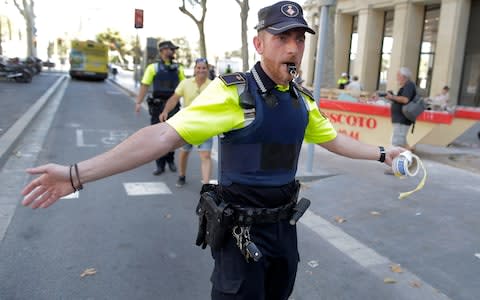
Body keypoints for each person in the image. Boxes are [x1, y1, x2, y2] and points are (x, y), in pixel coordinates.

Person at [21, 1, 406, 299]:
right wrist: (76, 174)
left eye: (299, 39)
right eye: (282, 37)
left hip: (284, 231)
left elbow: (332, 139)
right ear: (259, 43)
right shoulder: (232, 93)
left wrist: (382, 153)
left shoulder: (301, 100)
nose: (293, 48)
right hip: (241, 234)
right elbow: (161, 137)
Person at [159, 58, 213, 187]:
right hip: (187, 125)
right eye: (198, 68)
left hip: (205, 126)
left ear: (207, 69)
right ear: (194, 69)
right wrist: (165, 111)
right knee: (184, 152)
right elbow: (174, 98)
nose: (201, 70)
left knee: (205, 155)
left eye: (203, 68)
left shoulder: (213, 85)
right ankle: (181, 175)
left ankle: (206, 186)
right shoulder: (185, 83)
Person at [134, 40, 185, 175]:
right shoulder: (153, 67)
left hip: (173, 106)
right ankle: (159, 165)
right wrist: (138, 102)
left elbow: (184, 87)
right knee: (157, 136)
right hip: (158, 106)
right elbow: (145, 85)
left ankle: (170, 160)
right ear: (163, 50)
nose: (173, 52)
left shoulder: (179, 68)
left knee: (173, 134)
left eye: (174, 50)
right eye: (171, 49)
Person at [384, 67, 417, 153]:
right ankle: (409, 156)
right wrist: (393, 97)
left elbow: (405, 99)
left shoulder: (409, 85)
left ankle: (399, 161)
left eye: (398, 75)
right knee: (401, 141)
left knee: (396, 142)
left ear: (404, 76)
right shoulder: (406, 86)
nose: (397, 78)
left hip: (402, 119)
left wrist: (392, 97)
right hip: (401, 118)